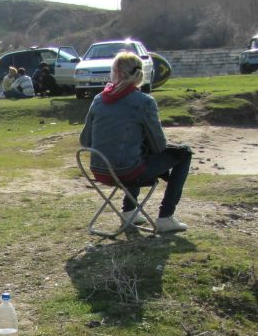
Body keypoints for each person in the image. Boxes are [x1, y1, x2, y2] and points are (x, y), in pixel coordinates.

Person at [79, 51, 192, 234]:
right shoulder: (144, 102)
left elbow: (85, 141)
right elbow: (159, 146)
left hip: (99, 171)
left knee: (134, 153)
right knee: (184, 153)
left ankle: (129, 211)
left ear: (115, 72)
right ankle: (165, 216)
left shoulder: (98, 100)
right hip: (127, 172)